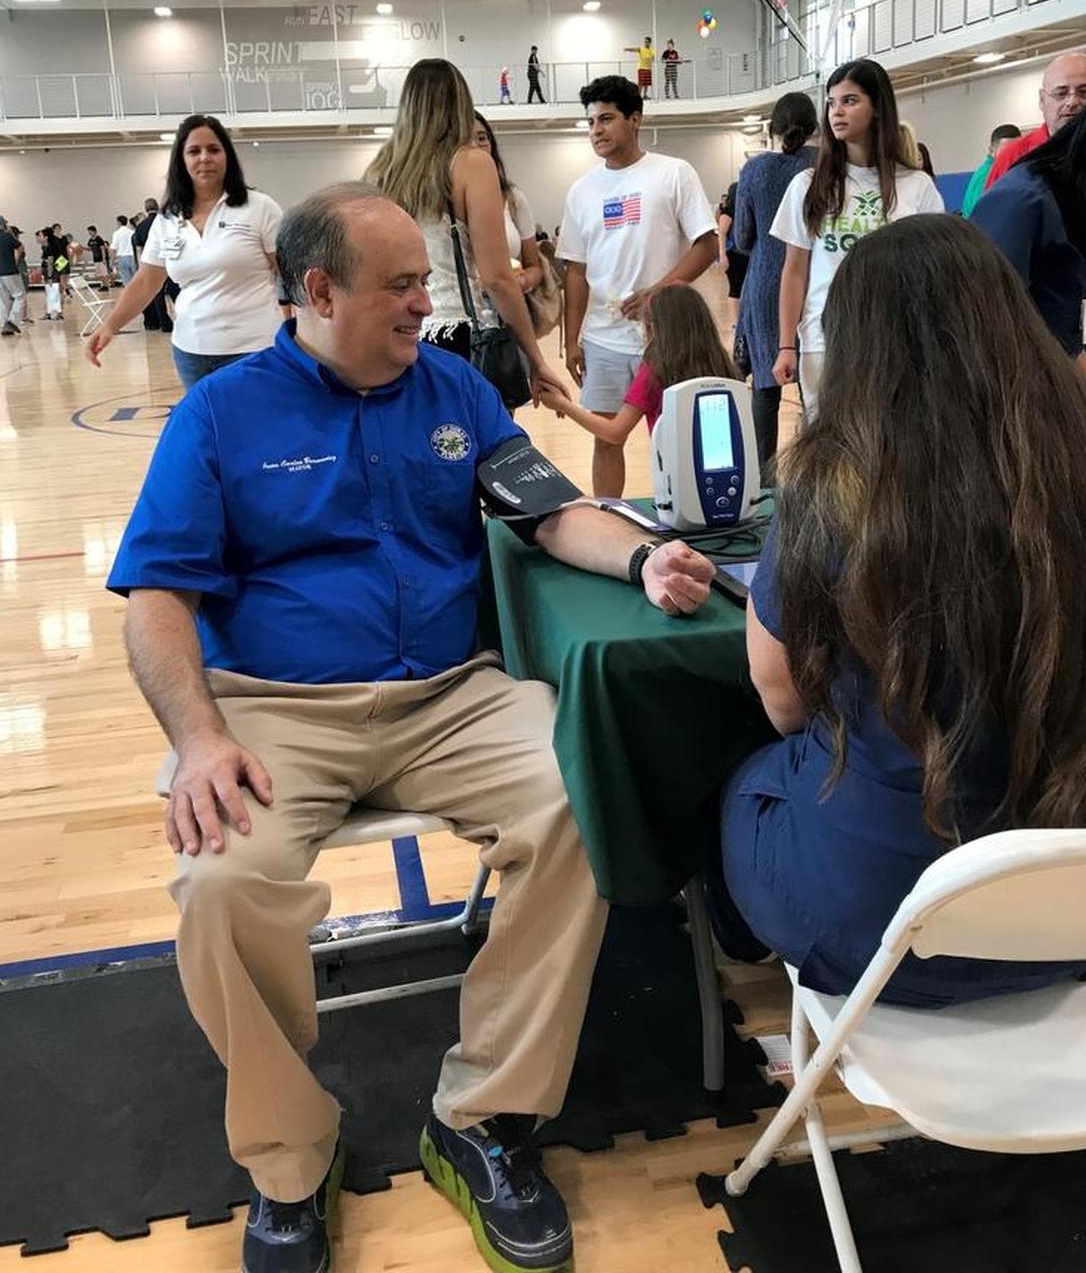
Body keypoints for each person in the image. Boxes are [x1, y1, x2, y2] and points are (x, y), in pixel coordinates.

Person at [106, 181, 715, 1273]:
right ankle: (292, 1159)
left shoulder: (451, 387)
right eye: (400, 284)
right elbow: (155, 597)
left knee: (582, 796)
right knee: (220, 882)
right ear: (319, 290)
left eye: (424, 281)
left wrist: (639, 553)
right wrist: (199, 738)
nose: (424, 302)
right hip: (278, 712)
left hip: (452, 693)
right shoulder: (220, 415)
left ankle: (483, 1117)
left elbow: (546, 508)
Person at [709, 215, 1086, 1006]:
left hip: (877, 923)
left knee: (742, 780)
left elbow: (780, 696)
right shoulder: (1083, 462)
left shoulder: (829, 489)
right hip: (1072, 911)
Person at [366, 58, 568, 402]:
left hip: (397, 335)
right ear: (460, 103)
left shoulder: (379, 171)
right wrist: (536, 360)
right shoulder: (471, 163)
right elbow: (496, 278)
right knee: (485, 451)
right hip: (462, 337)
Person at [558, 74, 718, 496]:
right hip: (602, 338)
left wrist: (658, 293)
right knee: (606, 438)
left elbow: (707, 245)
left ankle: (685, 513)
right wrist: (571, 340)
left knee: (677, 438)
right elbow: (574, 271)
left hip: (665, 338)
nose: (596, 131)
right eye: (591, 123)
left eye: (606, 119)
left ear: (635, 119)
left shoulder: (673, 174)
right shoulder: (581, 191)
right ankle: (610, 516)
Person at [771, 58, 944, 417]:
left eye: (850, 101)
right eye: (832, 103)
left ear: (878, 108)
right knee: (829, 450)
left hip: (896, 341)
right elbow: (794, 270)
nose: (837, 112)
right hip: (824, 339)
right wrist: (787, 345)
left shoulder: (917, 186)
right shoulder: (808, 186)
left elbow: (932, 276)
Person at [84, 115, 283, 391]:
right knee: (209, 432)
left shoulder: (259, 207)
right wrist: (109, 327)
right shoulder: (167, 219)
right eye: (194, 151)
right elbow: (146, 282)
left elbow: (290, 274)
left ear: (228, 156)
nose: (204, 158)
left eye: (214, 149)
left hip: (256, 350)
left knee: (257, 433)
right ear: (181, 159)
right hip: (191, 352)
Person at [971, 90, 1086, 377]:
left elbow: (1065, 335)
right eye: (1062, 92)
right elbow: (985, 326)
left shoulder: (1079, 199)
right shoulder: (1024, 201)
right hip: (1022, 386)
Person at [733, 91, 819, 468]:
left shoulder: (756, 170)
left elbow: (743, 235)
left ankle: (763, 483)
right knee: (816, 388)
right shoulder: (827, 163)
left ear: (772, 129)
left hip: (768, 282)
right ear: (817, 126)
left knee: (766, 390)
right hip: (818, 280)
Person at [541, 283, 734, 445]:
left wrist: (564, 405)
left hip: (675, 474)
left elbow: (615, 432)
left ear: (653, 328)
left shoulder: (654, 371)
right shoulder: (721, 362)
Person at [982, 50, 1086, 192]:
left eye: (1084, 92)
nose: (1072, 102)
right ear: (1042, 100)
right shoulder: (1013, 157)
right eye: (1061, 93)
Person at [472, 112, 544, 294]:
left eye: (482, 138)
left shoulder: (512, 197)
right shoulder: (438, 202)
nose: (476, 147)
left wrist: (523, 281)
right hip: (459, 311)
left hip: (507, 308)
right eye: (465, 140)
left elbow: (534, 267)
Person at [131, 198, 173, 334]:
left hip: (151, 265)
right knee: (176, 291)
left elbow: (139, 249)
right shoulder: (165, 222)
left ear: (145, 209)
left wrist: (141, 267)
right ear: (158, 206)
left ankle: (163, 323)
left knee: (157, 294)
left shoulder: (141, 226)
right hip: (170, 261)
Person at [960, 122, 1020, 217]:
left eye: (1017, 150)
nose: (1013, 156)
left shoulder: (1006, 173)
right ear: (992, 151)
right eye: (1006, 151)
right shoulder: (986, 176)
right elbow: (981, 216)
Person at [624, 35, 655, 99]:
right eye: (645, 42)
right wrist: (627, 49)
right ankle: (638, 95)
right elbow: (634, 49)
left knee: (647, 83)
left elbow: (653, 59)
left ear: (650, 42)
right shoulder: (641, 48)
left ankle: (645, 95)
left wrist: (650, 59)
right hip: (641, 68)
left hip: (648, 68)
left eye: (647, 42)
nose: (645, 43)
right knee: (641, 83)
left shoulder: (652, 51)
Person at [111, 215, 136, 286]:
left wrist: (112, 262)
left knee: (127, 282)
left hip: (122, 257)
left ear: (119, 222)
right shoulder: (132, 232)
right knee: (136, 280)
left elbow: (113, 248)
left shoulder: (116, 233)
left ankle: (131, 296)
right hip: (133, 256)